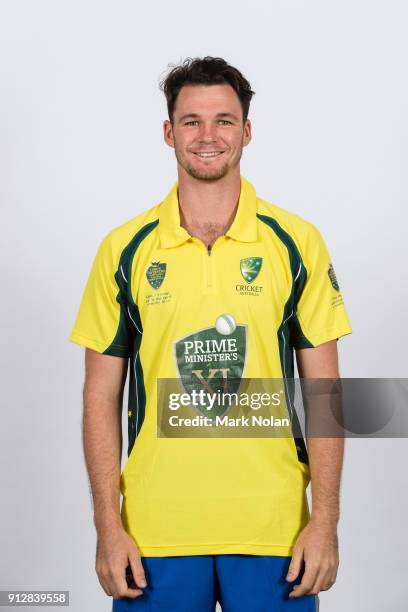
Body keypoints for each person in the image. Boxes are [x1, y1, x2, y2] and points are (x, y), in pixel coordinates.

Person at [69, 56, 352, 611]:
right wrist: (107, 524)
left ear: (246, 131)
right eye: (191, 121)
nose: (207, 136)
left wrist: (325, 521)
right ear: (169, 132)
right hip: (154, 535)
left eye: (224, 120)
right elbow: (99, 396)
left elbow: (325, 393)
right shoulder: (124, 248)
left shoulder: (296, 242)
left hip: (276, 533)